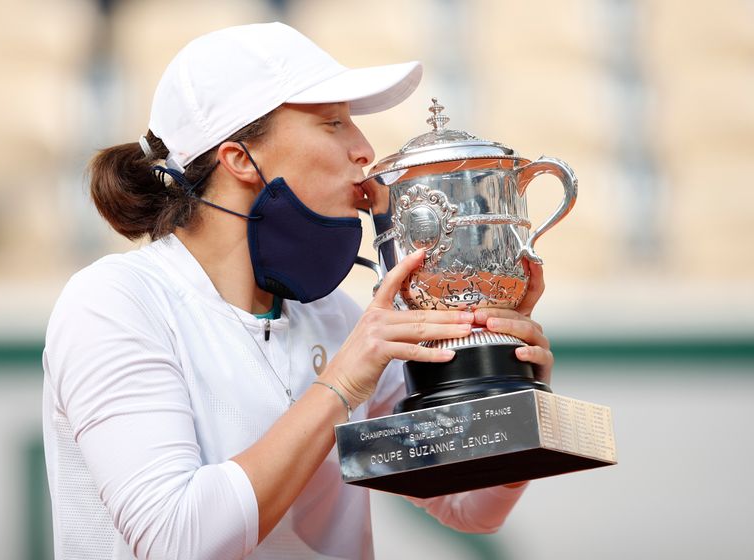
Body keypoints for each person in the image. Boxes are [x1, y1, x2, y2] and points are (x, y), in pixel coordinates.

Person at [42, 22, 554, 560]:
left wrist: (506, 387)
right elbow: (176, 540)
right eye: (333, 123)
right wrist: (339, 386)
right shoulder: (113, 302)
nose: (365, 151)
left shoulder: (333, 316)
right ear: (240, 158)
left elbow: (468, 506)